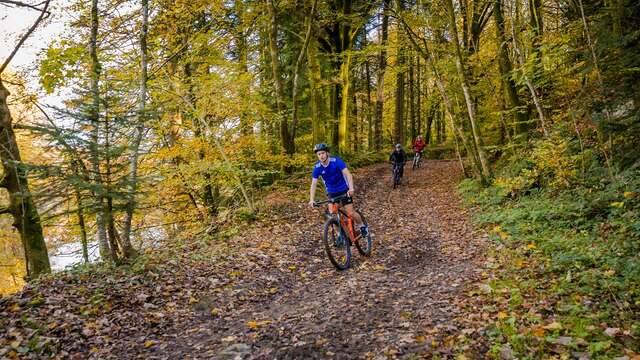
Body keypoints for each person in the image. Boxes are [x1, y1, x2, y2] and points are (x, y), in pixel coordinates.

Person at [308, 143, 368, 236]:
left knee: (351, 213)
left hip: (343, 189)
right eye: (319, 154)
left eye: (323, 153)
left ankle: (362, 226)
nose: (321, 156)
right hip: (331, 192)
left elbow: (348, 174)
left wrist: (351, 188)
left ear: (327, 153)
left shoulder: (336, 161)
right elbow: (313, 184)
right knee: (332, 215)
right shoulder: (317, 167)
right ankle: (341, 235)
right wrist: (311, 199)